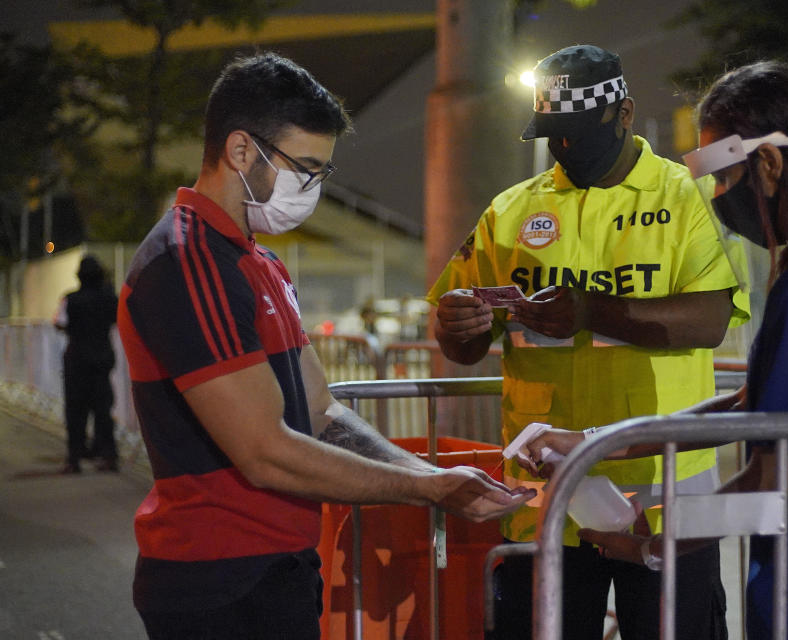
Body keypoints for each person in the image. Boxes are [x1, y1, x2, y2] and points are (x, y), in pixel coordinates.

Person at [116, 53, 535, 640]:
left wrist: (432, 474)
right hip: (219, 579)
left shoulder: (258, 262)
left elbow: (321, 411)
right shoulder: (190, 263)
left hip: (278, 565)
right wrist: (424, 488)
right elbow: (264, 450)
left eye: (321, 173)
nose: (312, 187)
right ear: (241, 151)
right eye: (303, 167)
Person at [524, 61, 788, 640]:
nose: (720, 196)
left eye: (721, 175)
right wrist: (600, 444)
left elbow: (765, 486)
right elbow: (756, 403)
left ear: (768, 162)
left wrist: (652, 547)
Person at [427, 44, 750, 640]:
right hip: (546, 490)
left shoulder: (687, 199)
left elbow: (710, 320)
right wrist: (458, 330)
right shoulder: (511, 210)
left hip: (666, 488)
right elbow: (461, 337)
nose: (566, 147)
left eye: (577, 131)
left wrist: (590, 311)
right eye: (554, 134)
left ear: (623, 113)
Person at [54, 254, 119, 473]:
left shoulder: (70, 299)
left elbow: (59, 323)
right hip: (102, 360)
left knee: (75, 411)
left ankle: (74, 458)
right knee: (103, 410)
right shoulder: (110, 298)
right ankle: (108, 455)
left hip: (76, 361)